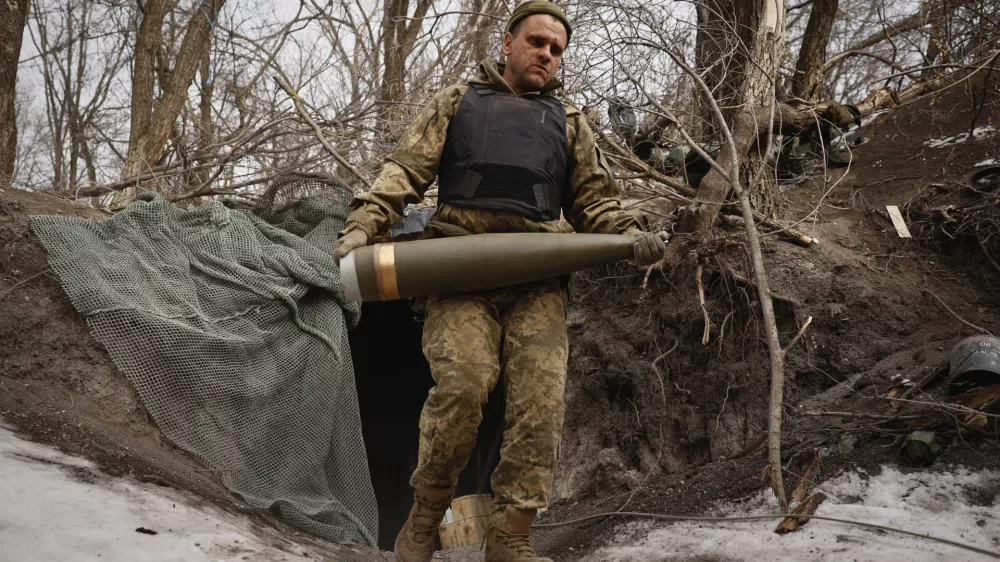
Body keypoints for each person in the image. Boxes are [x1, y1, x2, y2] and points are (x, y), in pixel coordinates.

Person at [333, 2, 667, 560]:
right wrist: (362, 225)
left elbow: (597, 204)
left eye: (557, 50)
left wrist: (634, 236)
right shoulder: (458, 102)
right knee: (464, 384)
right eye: (537, 42)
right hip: (456, 269)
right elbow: (404, 172)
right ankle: (422, 520)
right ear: (508, 43)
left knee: (541, 399)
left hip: (536, 279)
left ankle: (511, 534)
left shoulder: (570, 124)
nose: (547, 55)